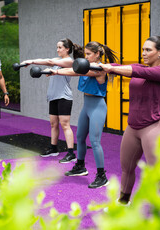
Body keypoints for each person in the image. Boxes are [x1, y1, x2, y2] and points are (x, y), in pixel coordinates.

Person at [97, 36, 160, 203]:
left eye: (148, 50)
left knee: (159, 174)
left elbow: (136, 71)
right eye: (143, 49)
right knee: (126, 168)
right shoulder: (140, 67)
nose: (143, 53)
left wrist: (108, 67)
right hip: (132, 127)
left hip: (153, 128)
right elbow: (120, 67)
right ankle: (123, 202)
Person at [46, 41, 118, 188]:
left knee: (95, 141)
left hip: (97, 106)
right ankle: (80, 166)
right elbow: (75, 68)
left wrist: (56, 71)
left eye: (89, 54)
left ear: (97, 54)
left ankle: (101, 176)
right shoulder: (87, 65)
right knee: (79, 137)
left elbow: (76, 71)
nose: (86, 56)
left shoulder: (99, 68)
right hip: (87, 105)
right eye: (85, 54)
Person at [21, 38, 83, 163]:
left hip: (64, 97)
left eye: (60, 47)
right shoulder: (58, 60)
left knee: (65, 125)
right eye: (57, 47)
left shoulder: (68, 61)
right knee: (53, 124)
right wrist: (30, 62)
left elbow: (49, 61)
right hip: (53, 96)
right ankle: (53, 148)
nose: (57, 49)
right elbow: (46, 61)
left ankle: (71, 153)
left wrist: (33, 62)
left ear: (67, 49)